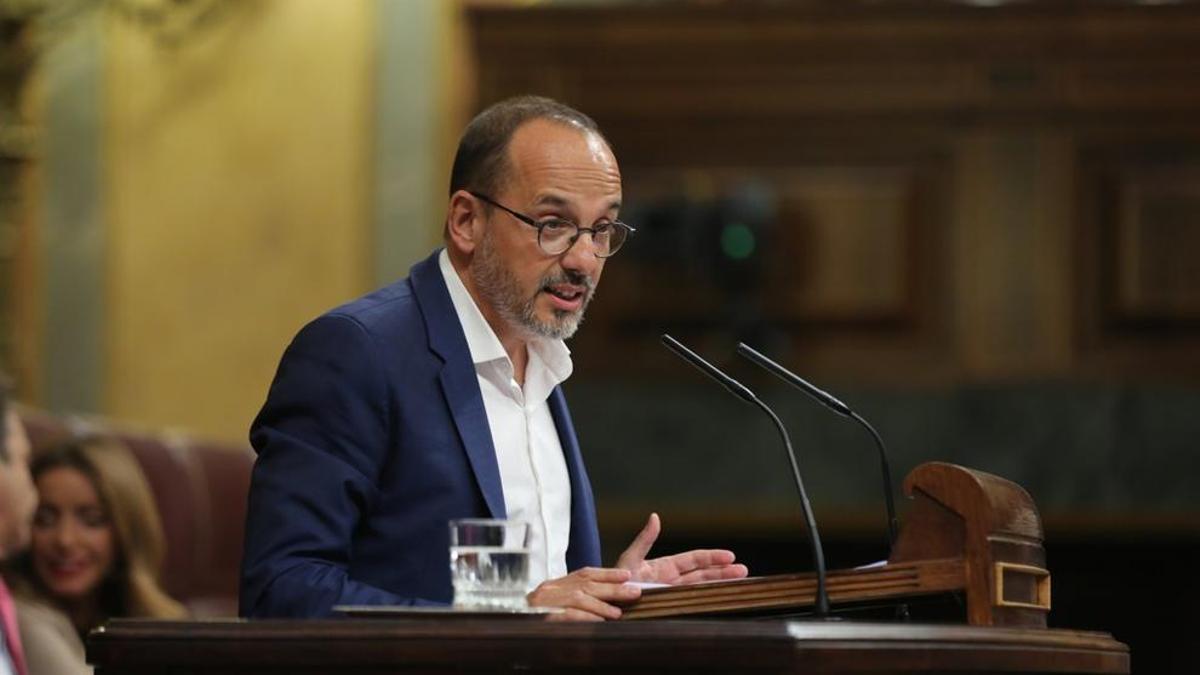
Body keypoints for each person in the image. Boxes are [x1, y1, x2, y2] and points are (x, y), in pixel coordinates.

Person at [241, 95, 748, 621]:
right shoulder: (355, 353)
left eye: (601, 231)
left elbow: (507, 590)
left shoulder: (541, 361)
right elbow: (281, 590)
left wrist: (613, 593)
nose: (583, 260)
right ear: (466, 221)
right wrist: (514, 613)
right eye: (553, 224)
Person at [10, 436, 186, 641]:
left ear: (127, 531)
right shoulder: (14, 623)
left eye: (92, 521)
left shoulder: (167, 631)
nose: (65, 540)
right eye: (45, 519)